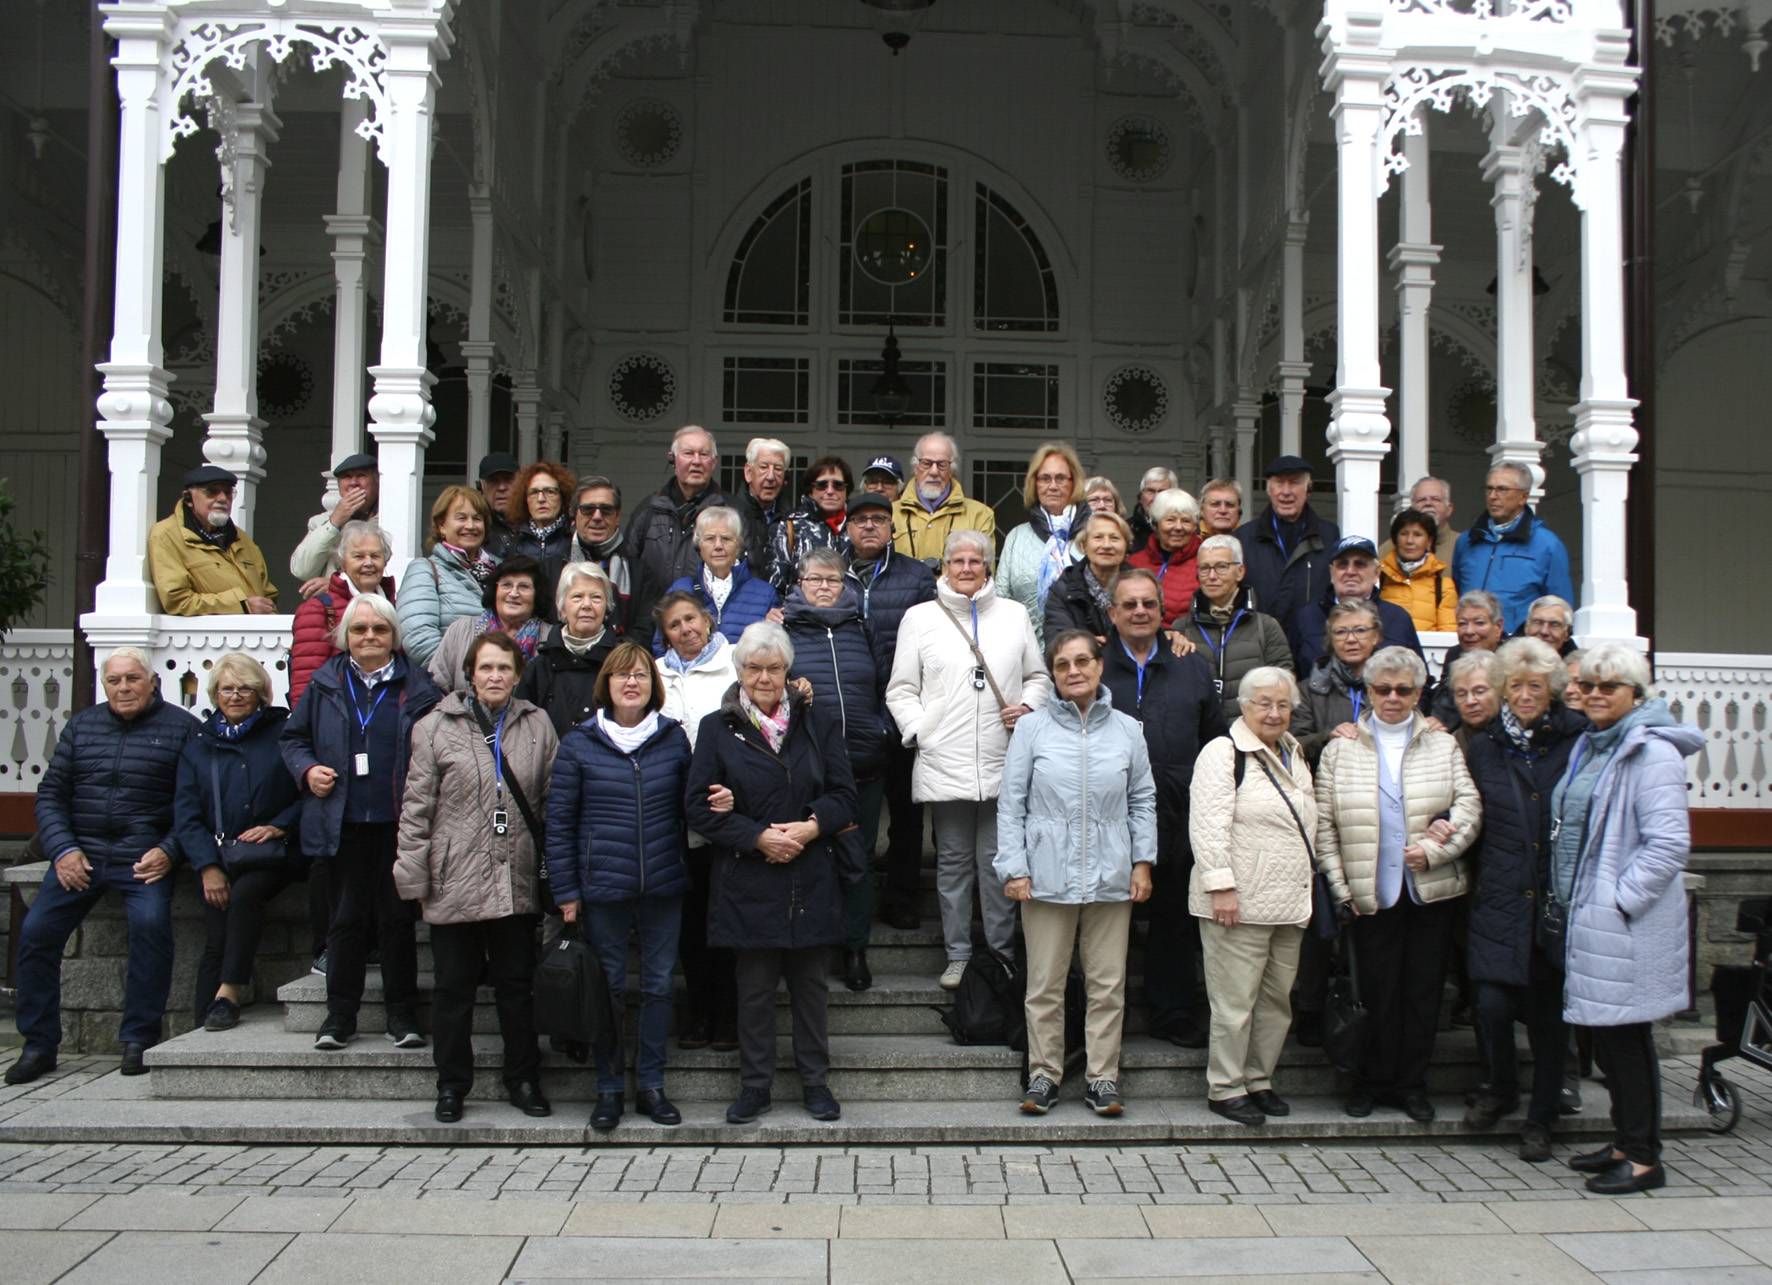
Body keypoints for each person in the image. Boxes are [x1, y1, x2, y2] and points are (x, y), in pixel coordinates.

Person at [686, 621, 860, 1125]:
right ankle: (755, 1087)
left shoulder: (817, 721)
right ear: (740, 671)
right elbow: (697, 807)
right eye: (754, 668)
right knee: (756, 991)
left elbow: (845, 796)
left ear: (788, 671)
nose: (764, 678)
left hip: (811, 872)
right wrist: (757, 836)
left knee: (811, 990)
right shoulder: (716, 729)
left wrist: (810, 827)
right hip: (749, 878)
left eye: (775, 668)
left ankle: (815, 1083)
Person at [6, 649, 195, 1085]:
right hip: (81, 857)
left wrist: (169, 850)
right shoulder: (82, 726)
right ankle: (39, 1045)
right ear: (104, 684)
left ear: (152, 682)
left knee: (150, 929)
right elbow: (51, 796)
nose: (123, 688)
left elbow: (196, 804)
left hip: (143, 860)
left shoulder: (183, 729)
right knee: (36, 934)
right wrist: (63, 850)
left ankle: (138, 1039)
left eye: (132, 678)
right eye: (114, 680)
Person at [394, 631, 558, 1124]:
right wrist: (413, 879)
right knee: (453, 990)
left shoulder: (536, 723)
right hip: (455, 876)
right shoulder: (434, 727)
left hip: (515, 875)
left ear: (518, 674)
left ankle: (523, 1079)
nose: (495, 676)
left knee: (516, 986)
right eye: (486, 667)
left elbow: (552, 802)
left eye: (504, 668)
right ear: (469, 673)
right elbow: (416, 808)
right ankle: (451, 1085)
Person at [1556, 644, 1702, 1194]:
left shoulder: (1651, 752)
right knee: (1610, 1038)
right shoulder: (1595, 743)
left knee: (1627, 1039)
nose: (1595, 694)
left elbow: (1668, 846)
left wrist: (1619, 902)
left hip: (1620, 921)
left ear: (1636, 695)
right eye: (1588, 685)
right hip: (1592, 914)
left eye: (1609, 686)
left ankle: (1644, 1158)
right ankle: (1624, 1141)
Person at [1314, 645, 1482, 1122]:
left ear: (1418, 693)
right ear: (1368, 692)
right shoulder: (1341, 748)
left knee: (1422, 993)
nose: (1392, 698)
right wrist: (1341, 888)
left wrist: (1435, 851)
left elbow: (1469, 808)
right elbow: (1324, 826)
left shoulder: (1442, 744)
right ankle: (1369, 1082)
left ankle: (1411, 1084)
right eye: (1383, 689)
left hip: (1431, 890)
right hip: (1370, 892)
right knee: (1375, 992)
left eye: (1403, 690)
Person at [998, 630, 1156, 1117]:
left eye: (1083, 661)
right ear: (1053, 673)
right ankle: (1044, 1075)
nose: (1074, 671)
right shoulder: (1032, 729)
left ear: (1100, 666)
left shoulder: (1128, 730)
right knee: (1045, 984)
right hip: (1046, 874)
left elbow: (1142, 800)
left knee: (1107, 984)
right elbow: (1011, 804)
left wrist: (1142, 863)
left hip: (1112, 873)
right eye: (1063, 664)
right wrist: (1014, 867)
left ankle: (1102, 1078)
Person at [887, 530, 1052, 989]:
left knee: (999, 862)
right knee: (954, 863)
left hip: (1005, 756)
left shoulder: (1014, 615)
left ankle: (999, 956)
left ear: (987, 567)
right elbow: (901, 689)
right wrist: (921, 730)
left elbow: (1038, 677)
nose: (965, 568)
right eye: (956, 560)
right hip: (945, 758)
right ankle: (958, 955)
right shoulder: (919, 618)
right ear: (944, 566)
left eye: (974, 561)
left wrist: (1029, 707)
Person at [281, 593, 442, 1051]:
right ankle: (339, 1016)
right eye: (359, 629)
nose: (369, 636)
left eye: (379, 629)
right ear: (345, 636)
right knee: (345, 921)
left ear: (394, 636)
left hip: (399, 822)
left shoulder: (420, 688)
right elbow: (293, 740)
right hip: (342, 821)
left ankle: (402, 1015)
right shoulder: (324, 684)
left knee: (397, 921)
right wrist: (308, 770)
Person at [546, 640, 693, 1131]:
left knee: (658, 986)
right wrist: (566, 891)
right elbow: (560, 823)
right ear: (605, 684)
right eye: (622, 675)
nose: (632, 682)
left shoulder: (673, 739)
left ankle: (651, 1085)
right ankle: (608, 1087)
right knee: (607, 988)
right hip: (602, 887)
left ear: (654, 686)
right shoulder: (579, 743)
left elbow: (689, 805)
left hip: (663, 883)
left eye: (641, 675)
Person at [1462, 637, 1588, 1160]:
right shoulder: (1485, 744)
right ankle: (1501, 1088)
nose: (1525, 695)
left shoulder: (1577, 740)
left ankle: (1541, 1117)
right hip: (1499, 891)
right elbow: (1469, 806)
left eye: (1536, 686)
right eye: (1516, 685)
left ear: (1552, 689)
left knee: (1548, 1017)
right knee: (1491, 1006)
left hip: (1554, 897)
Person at [1101, 569, 1228, 1049]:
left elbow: (1215, 740)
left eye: (1148, 604)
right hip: (1108, 818)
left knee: (1174, 919)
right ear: (1112, 613)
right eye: (1129, 604)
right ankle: (1102, 1019)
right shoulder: (1094, 665)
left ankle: (1172, 1012)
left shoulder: (1191, 664)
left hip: (1177, 814)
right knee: (1106, 921)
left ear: (1162, 611)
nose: (1139, 612)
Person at [1187, 666, 1315, 1126]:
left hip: (1288, 902)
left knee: (1276, 1002)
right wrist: (1220, 886)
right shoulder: (1223, 752)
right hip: (1237, 904)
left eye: (1283, 704)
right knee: (1234, 1003)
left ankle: (1259, 1080)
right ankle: (1225, 1087)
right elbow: (1207, 824)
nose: (1274, 712)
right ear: (1244, 706)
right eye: (1264, 703)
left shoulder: (1294, 751)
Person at [173, 653, 303, 1033]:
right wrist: (207, 867)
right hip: (223, 856)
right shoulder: (200, 744)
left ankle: (229, 995)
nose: (235, 696)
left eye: (245, 688)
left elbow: (309, 792)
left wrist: (279, 826)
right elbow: (187, 815)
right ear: (215, 693)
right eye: (227, 689)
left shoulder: (284, 733)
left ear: (260, 692)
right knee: (217, 933)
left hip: (275, 854)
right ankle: (202, 1025)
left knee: (244, 895)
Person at [784, 548, 888, 991]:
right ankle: (813, 947)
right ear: (799, 584)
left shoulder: (862, 626)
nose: (824, 587)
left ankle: (855, 948)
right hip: (810, 768)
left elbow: (886, 683)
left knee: (858, 859)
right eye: (815, 579)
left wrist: (883, 730)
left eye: (833, 579)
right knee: (812, 859)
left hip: (864, 762)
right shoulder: (784, 630)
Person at [842, 492, 937, 931]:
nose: (869, 526)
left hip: (904, 706)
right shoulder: (831, 574)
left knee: (905, 811)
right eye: (860, 519)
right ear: (847, 527)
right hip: (850, 709)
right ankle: (849, 900)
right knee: (852, 811)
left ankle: (901, 898)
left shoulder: (915, 576)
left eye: (878, 519)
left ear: (891, 528)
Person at [654, 590, 742, 1051]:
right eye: (674, 624)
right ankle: (699, 1011)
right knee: (689, 924)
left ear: (707, 620)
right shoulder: (656, 673)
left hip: (727, 812)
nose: (685, 629)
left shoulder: (735, 663)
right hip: (674, 818)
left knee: (725, 918)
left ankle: (728, 1015)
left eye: (691, 619)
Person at [1175, 535, 1294, 727]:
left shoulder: (1266, 627)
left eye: (1221, 567)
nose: (1211, 576)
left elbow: (1283, 688)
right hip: (1197, 735)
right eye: (1204, 568)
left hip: (1251, 733)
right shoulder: (1181, 629)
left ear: (1240, 572)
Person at [625, 424, 732, 634]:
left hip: (708, 629)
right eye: (688, 453)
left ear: (714, 462)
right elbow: (628, 570)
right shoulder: (648, 511)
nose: (696, 461)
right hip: (651, 627)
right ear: (672, 459)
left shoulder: (731, 512)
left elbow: (747, 572)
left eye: (704, 454)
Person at [1453, 463, 1575, 633]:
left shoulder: (1548, 545)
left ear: (1523, 497)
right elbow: (1456, 591)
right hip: (1472, 638)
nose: (1493, 496)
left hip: (1518, 643)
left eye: (1502, 489)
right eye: (1489, 489)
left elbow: (1560, 608)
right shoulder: (1466, 541)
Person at [147, 464, 279, 616]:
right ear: (189, 498)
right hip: (211, 632)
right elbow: (177, 600)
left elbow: (269, 594)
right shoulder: (166, 535)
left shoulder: (241, 537)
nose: (223, 499)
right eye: (212, 492)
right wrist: (242, 605)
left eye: (228, 492)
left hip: (255, 630)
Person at [289, 520, 395, 706]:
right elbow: (305, 685)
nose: (368, 563)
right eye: (359, 556)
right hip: (337, 716)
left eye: (375, 556)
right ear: (343, 563)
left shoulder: (394, 607)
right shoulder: (318, 610)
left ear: (385, 561)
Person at [1235, 455, 1339, 640]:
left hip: (1312, 643)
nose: (1286, 491)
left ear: (1308, 489)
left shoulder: (1329, 535)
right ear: (1269, 490)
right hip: (1260, 643)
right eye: (1279, 483)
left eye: (1294, 483)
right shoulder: (1244, 537)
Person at [397, 484, 497, 669]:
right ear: (442, 525)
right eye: (461, 518)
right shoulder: (425, 570)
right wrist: (466, 674)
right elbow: (418, 639)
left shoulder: (501, 570)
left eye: (477, 518)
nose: (470, 526)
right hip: (451, 681)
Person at [1291, 536, 1424, 674]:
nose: (1350, 571)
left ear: (1377, 573)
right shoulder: (1306, 618)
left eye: (1360, 564)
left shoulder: (1397, 618)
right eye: (1342, 565)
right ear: (1331, 572)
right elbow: (1293, 676)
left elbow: (1420, 678)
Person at [516, 562, 621, 736]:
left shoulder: (622, 662)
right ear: (562, 608)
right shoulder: (539, 666)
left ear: (607, 608)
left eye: (596, 597)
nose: (587, 605)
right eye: (577, 597)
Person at [656, 506, 780, 652]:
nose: (718, 546)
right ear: (699, 546)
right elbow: (660, 646)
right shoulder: (680, 589)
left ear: (738, 546)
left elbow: (775, 649)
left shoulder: (765, 594)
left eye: (726, 538)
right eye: (710, 538)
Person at [998, 442, 1084, 642]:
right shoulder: (1016, 537)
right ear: (1034, 484)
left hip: (1080, 651)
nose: (1052, 486)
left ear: (1074, 483)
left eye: (1060, 478)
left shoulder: (1093, 535)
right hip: (1027, 648)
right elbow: (1001, 599)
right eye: (1045, 478)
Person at [428, 555, 546, 693]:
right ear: (495, 591)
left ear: (537, 594)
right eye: (506, 585)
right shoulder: (461, 630)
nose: (514, 593)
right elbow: (435, 688)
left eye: (524, 587)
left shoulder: (549, 637)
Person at [1290, 597, 1383, 767]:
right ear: (1331, 639)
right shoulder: (1308, 691)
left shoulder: (1393, 688)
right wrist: (1327, 737)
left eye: (1360, 630)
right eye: (1340, 632)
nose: (1351, 639)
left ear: (1375, 636)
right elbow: (1293, 745)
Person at [891, 431, 996, 564]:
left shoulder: (980, 515)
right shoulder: (890, 513)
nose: (934, 472)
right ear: (916, 467)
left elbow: (985, 571)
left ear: (951, 470)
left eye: (942, 464)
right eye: (926, 463)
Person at [289, 452, 380, 585]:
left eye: (361, 475)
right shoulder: (320, 522)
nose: (353, 483)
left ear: (377, 482)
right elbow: (301, 571)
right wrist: (334, 522)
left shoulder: (390, 519)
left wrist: (337, 586)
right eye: (347, 477)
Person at [1043, 509, 1133, 643]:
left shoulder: (1142, 585)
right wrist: (1086, 644)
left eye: (1114, 538)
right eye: (1098, 537)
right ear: (1083, 545)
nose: (1106, 545)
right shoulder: (1062, 590)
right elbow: (1057, 640)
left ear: (1126, 546)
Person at [1429, 590, 1508, 728]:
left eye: (1479, 623)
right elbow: (1445, 701)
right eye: (1462, 624)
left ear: (1498, 627)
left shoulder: (1512, 658)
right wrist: (1439, 721)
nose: (1469, 631)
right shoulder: (1455, 655)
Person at [1127, 488, 1204, 627]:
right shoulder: (1134, 563)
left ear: (1195, 526)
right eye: (1170, 520)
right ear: (1156, 524)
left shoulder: (1205, 563)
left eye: (1186, 521)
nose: (1178, 527)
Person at [564, 477, 632, 632]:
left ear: (617, 517)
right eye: (588, 509)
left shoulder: (640, 573)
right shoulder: (553, 567)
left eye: (606, 510)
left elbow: (642, 630)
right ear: (574, 515)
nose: (597, 517)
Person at [774, 455, 853, 586]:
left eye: (838, 485)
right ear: (811, 491)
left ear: (846, 491)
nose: (830, 491)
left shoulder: (859, 525)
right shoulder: (789, 526)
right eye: (822, 485)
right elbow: (776, 585)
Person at [498, 460, 577, 590]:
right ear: (525, 500)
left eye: (550, 491)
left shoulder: (574, 539)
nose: (541, 499)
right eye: (534, 492)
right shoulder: (512, 542)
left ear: (562, 497)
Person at [1378, 509, 1458, 634]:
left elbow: (1448, 632)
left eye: (1417, 535)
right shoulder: (1378, 578)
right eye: (1404, 534)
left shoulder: (1443, 586)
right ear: (1395, 539)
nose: (1409, 541)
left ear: (1429, 541)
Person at [735, 437, 795, 590]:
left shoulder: (792, 521)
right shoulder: (730, 516)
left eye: (778, 469)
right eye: (763, 467)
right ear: (748, 472)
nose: (771, 476)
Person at [1379, 476, 1459, 566]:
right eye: (1421, 500)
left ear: (1449, 509)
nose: (1428, 503)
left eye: (1436, 499)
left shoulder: (1462, 545)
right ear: (1412, 508)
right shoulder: (1391, 547)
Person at [1446, 649, 1504, 754]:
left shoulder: (1519, 739)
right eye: (1461, 694)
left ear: (1500, 691)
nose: (1470, 701)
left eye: (1479, 691)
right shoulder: (1449, 746)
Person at [477, 452, 520, 553]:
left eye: (508, 479)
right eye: (493, 481)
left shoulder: (536, 522)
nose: (502, 488)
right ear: (481, 486)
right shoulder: (475, 527)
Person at [1129, 465, 1179, 551]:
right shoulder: (1127, 529)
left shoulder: (1183, 529)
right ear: (1141, 496)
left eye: (1162, 492)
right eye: (1150, 491)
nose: (1156, 498)